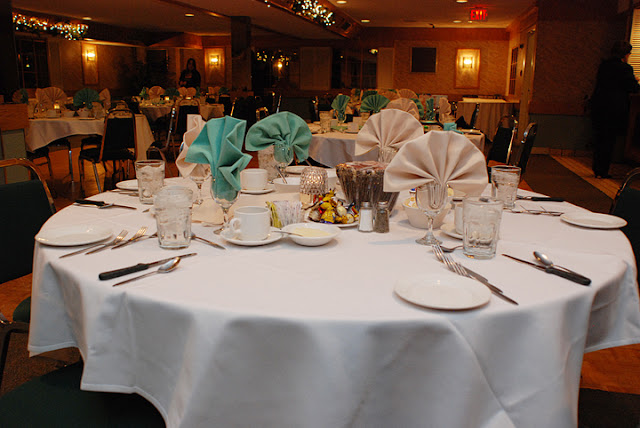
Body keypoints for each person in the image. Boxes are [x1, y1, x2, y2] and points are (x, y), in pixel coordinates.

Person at [591, 41, 640, 178]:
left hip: (600, 106)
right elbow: (632, 87)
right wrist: (635, 81)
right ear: (625, 54)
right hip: (614, 108)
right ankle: (603, 170)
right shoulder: (625, 68)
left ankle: (597, 168)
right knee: (609, 140)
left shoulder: (604, 65)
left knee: (600, 139)